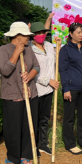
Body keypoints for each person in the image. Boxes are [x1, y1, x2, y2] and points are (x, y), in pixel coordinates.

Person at [0, 22, 40, 164]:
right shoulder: (3, 49)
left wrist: (30, 76)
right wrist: (16, 53)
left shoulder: (29, 49)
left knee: (29, 125)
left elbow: (36, 66)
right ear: (17, 35)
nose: (29, 38)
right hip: (12, 93)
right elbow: (5, 71)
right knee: (13, 127)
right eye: (26, 35)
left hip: (30, 93)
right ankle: (13, 157)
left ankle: (26, 154)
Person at [59, 23, 82, 154]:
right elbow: (62, 70)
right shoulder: (65, 50)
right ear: (70, 33)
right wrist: (66, 88)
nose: (81, 34)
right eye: (78, 32)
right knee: (69, 116)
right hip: (71, 88)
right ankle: (69, 143)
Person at [30, 20, 60, 155]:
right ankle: (34, 145)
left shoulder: (48, 46)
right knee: (35, 118)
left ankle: (43, 143)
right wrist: (49, 81)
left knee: (45, 118)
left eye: (43, 32)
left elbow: (55, 60)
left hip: (49, 89)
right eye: (38, 33)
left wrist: (58, 47)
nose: (41, 35)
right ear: (32, 35)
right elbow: (33, 71)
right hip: (37, 88)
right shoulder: (29, 49)